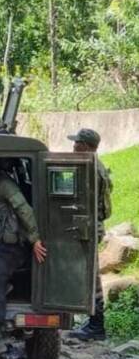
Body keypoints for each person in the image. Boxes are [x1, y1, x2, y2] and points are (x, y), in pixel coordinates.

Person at [0, 157, 47, 357]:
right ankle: (0, 290)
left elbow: (23, 209)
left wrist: (35, 239)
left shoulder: (3, 183)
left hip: (11, 246)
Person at [68, 129, 112, 341]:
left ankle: (97, 326)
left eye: (76, 143)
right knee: (88, 274)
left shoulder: (90, 169)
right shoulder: (95, 165)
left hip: (90, 228)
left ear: (84, 146)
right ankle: (92, 322)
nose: (73, 147)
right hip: (93, 225)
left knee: (91, 277)